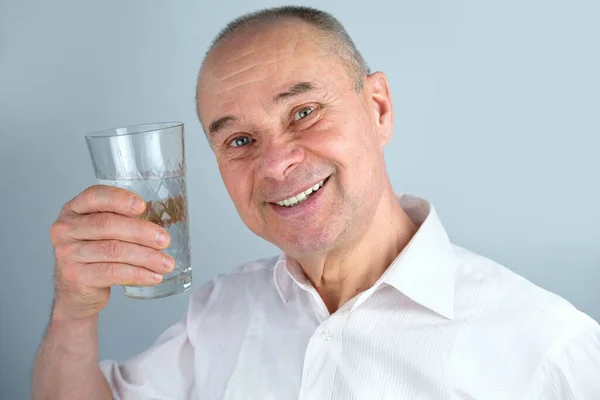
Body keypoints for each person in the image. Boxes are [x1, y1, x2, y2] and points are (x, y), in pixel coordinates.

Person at [32, 6, 600, 400]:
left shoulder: (548, 346)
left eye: (303, 112)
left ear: (378, 108)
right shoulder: (220, 313)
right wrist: (74, 313)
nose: (275, 164)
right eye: (239, 141)